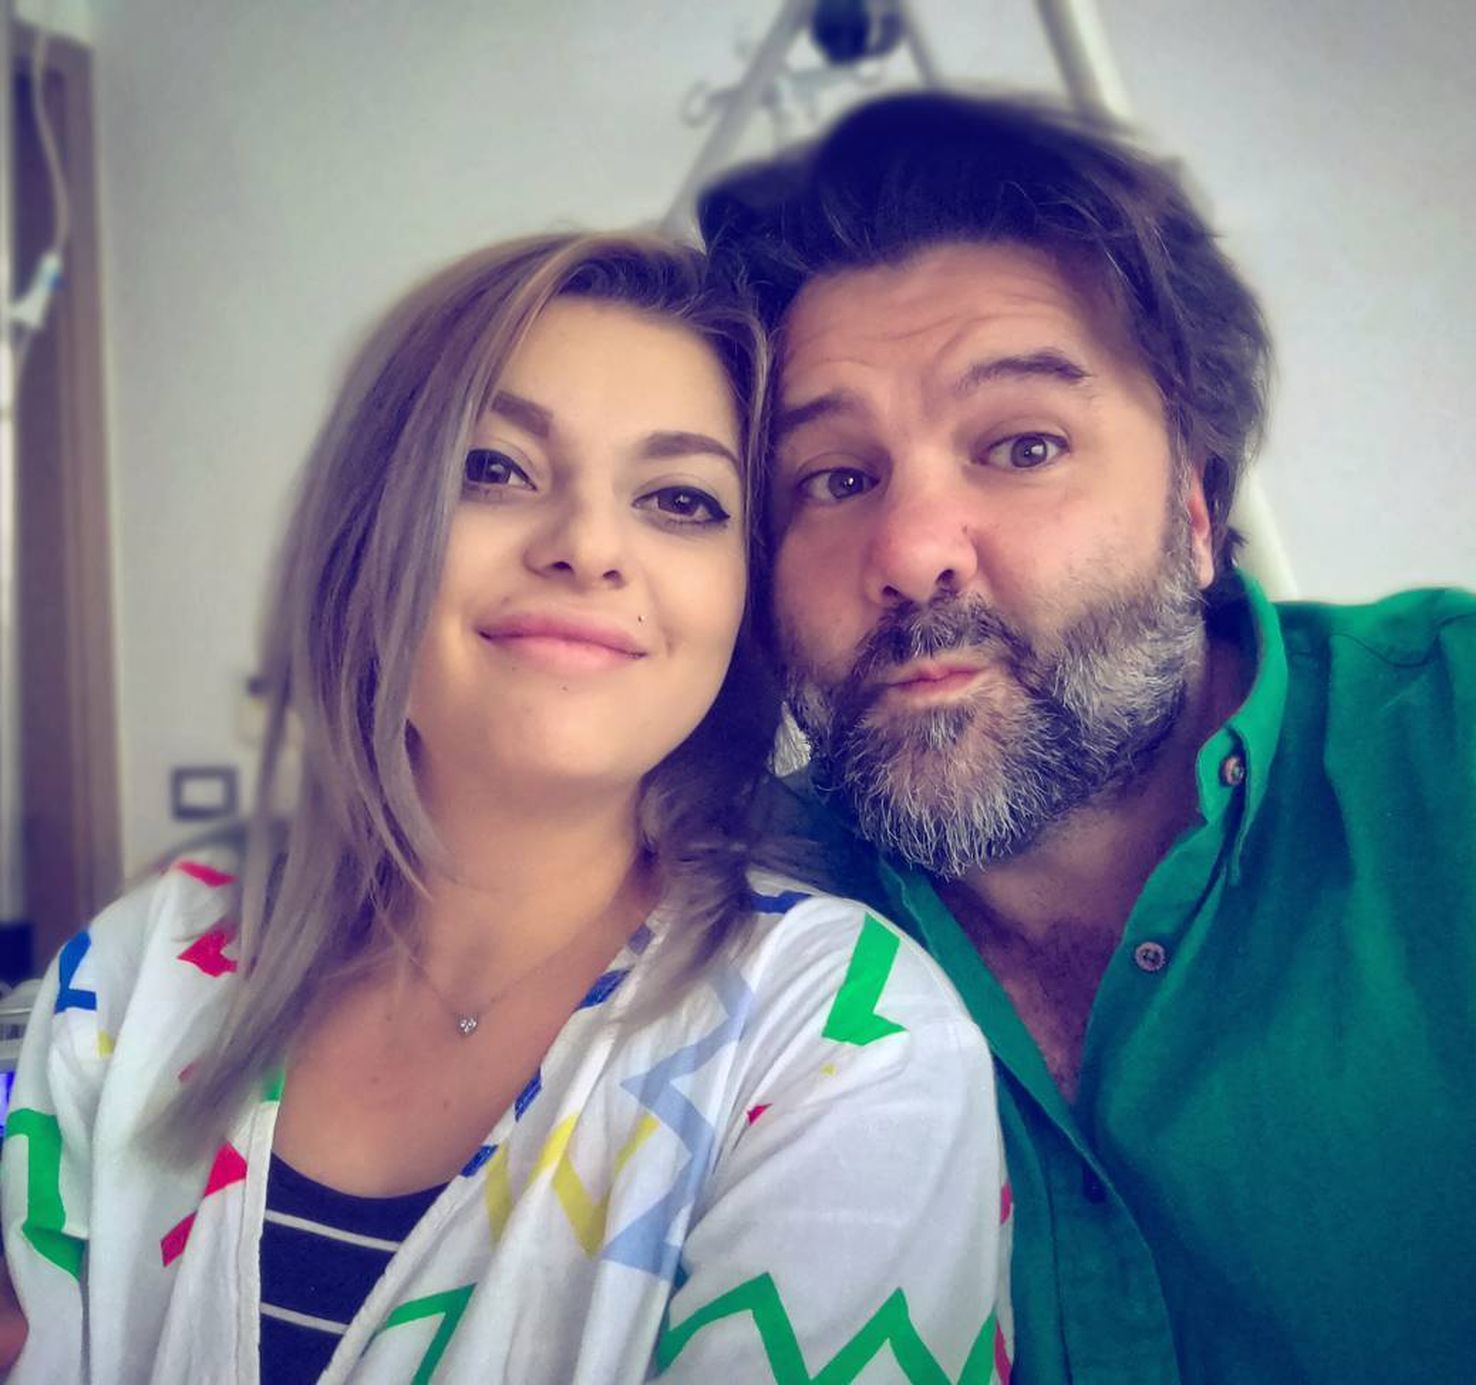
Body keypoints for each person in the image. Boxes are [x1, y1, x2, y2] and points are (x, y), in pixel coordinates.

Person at [0, 233, 1011, 1382]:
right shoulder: (146, 963)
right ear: (368, 536)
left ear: (743, 599)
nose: (587, 546)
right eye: (494, 468)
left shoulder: (851, 1042)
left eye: (681, 499)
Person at [700, 90, 1476, 1383]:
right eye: (836, 479)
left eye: (1023, 445)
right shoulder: (710, 918)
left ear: (1196, 511)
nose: (911, 549)